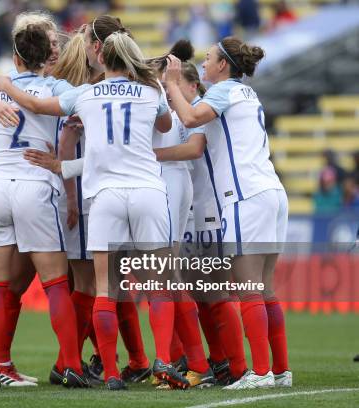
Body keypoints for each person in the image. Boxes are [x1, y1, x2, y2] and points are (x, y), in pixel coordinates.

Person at [0, 30, 192, 391]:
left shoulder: (85, 94)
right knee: (158, 286)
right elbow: (164, 126)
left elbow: (37, 106)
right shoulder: (150, 92)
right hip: (148, 191)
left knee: (104, 289)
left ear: (101, 58)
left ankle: (113, 375)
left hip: (105, 197)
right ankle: (162, 359)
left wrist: (6, 85)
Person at [164, 36, 291, 389]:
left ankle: (261, 372)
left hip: (245, 196)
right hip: (271, 191)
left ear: (223, 65)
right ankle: (280, 370)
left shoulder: (223, 91)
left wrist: (172, 83)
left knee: (248, 289)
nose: (203, 66)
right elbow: (199, 123)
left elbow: (189, 118)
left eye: (208, 59)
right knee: (265, 289)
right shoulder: (245, 93)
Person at [0, 23, 89, 389]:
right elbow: (83, 108)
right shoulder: (58, 88)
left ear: (16, 56)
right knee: (55, 283)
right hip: (35, 184)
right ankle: (71, 364)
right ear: (45, 57)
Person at [153, 52, 247, 387]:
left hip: (208, 211)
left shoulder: (204, 110)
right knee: (197, 294)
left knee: (216, 294)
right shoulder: (181, 112)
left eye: (176, 85)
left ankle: (237, 367)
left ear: (193, 85)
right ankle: (219, 362)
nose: (170, 92)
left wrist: (148, 155)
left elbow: (193, 150)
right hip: (192, 213)